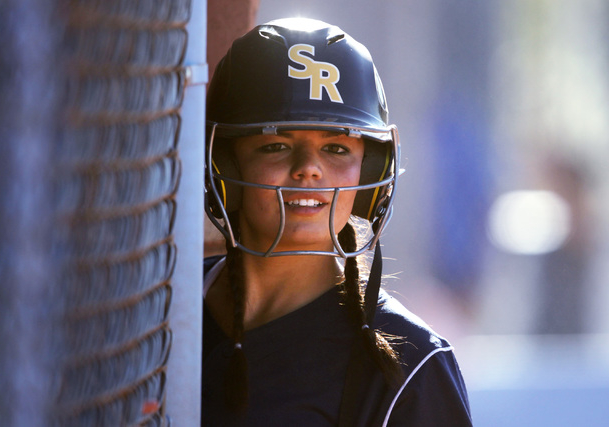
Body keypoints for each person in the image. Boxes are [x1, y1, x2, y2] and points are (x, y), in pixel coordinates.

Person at [201, 17, 472, 426]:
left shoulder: (410, 367)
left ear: (369, 171)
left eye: (336, 148)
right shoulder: (164, 309)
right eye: (275, 145)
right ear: (223, 163)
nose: (309, 169)